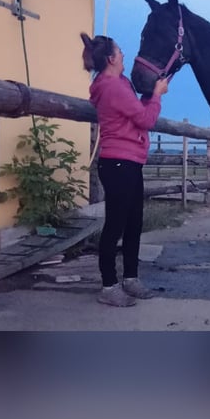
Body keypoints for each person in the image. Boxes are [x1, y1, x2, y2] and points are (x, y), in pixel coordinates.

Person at [81, 33, 169, 307]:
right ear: (110, 58)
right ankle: (109, 286)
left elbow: (132, 112)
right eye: (119, 51)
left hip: (128, 162)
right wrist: (156, 95)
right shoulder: (112, 87)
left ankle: (130, 278)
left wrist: (148, 93)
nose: (123, 54)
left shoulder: (119, 83)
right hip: (119, 163)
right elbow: (145, 119)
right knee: (116, 226)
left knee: (134, 223)